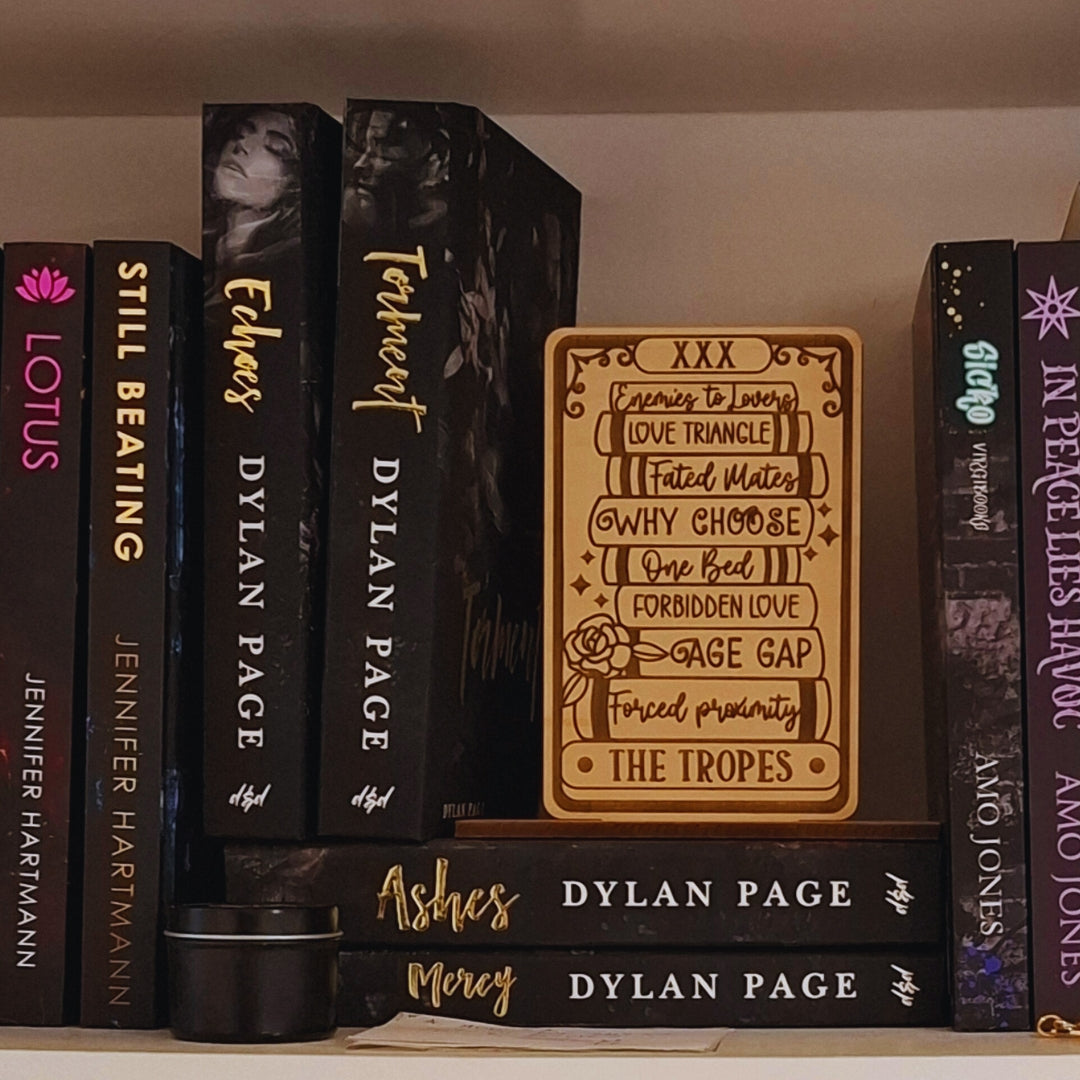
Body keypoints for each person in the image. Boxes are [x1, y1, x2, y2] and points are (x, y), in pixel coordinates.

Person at [204, 106, 302, 273]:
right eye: (240, 133)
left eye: (275, 147)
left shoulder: (291, 258)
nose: (242, 146)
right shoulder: (206, 240)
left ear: (292, 180)